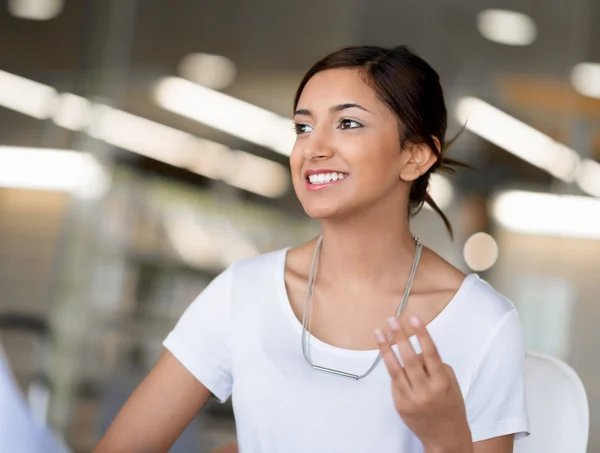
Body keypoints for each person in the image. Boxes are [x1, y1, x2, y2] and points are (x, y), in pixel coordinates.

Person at [93, 45, 530, 453]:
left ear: (415, 156)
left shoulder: (482, 322)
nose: (313, 148)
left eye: (348, 123)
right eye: (303, 127)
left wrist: (445, 437)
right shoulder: (243, 293)